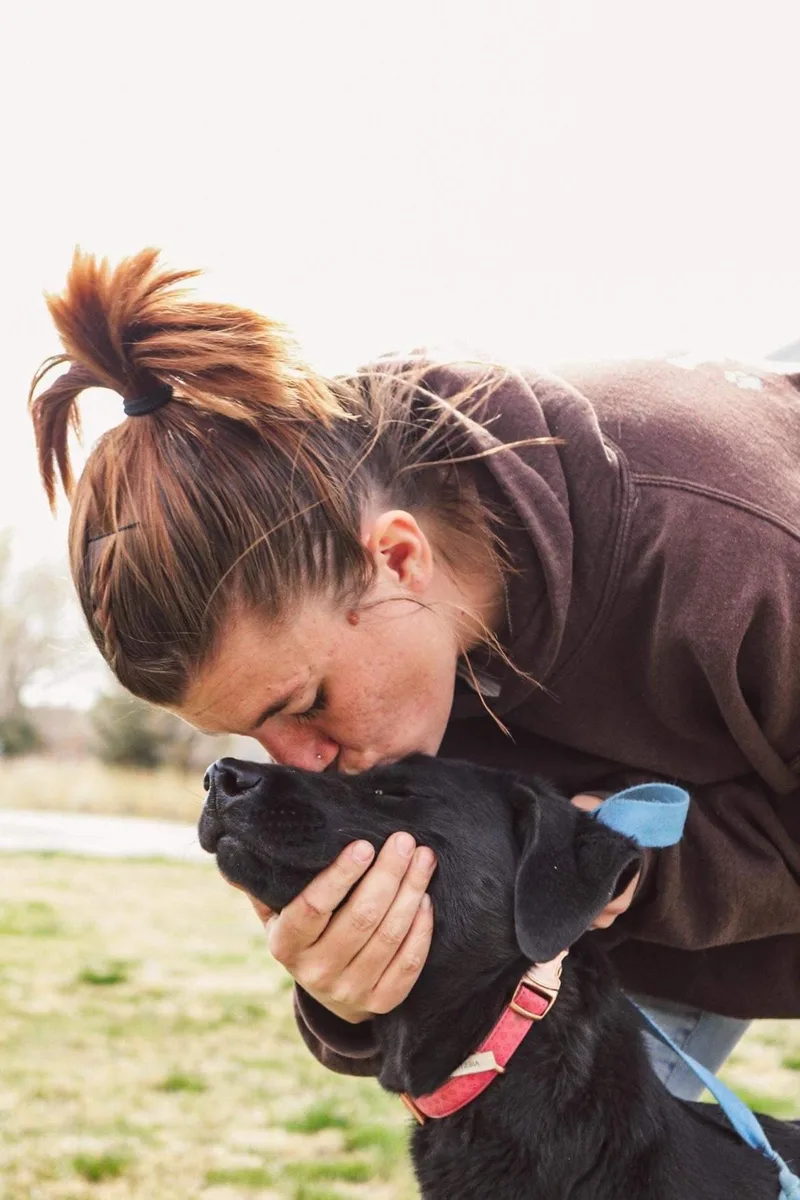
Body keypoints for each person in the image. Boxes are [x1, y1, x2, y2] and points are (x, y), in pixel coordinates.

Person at [29, 249, 800, 1101]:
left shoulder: (732, 551)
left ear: (398, 557)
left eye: (307, 703)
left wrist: (630, 870)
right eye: (254, 730)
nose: (301, 761)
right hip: (636, 946)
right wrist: (351, 994)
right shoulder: (328, 515)